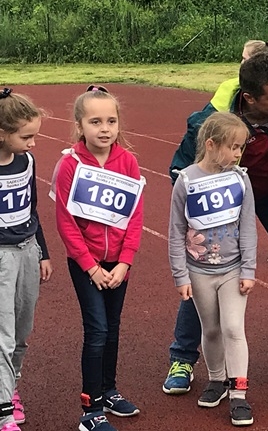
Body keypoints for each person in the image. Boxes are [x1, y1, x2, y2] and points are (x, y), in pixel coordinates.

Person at [164, 52, 268, 394]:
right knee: (204, 266)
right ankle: (183, 356)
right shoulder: (211, 122)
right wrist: (201, 214)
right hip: (226, 199)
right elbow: (180, 169)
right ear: (249, 98)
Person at [53, 85, 145, 431]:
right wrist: (90, 267)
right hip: (85, 264)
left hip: (118, 264)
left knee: (113, 329)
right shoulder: (69, 165)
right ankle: (90, 409)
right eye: (95, 122)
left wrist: (125, 262)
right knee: (97, 330)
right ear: (79, 125)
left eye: (111, 121)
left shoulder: (128, 162)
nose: (104, 129)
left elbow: (134, 216)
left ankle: (108, 390)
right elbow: (66, 222)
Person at [169, 113, 256, 426]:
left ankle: (238, 394)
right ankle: (217, 379)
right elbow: (176, 231)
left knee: (233, 327)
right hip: (199, 271)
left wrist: (249, 268)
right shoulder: (186, 180)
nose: (238, 154)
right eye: (233, 147)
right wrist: (180, 274)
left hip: (233, 269)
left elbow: (248, 225)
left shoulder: (240, 179)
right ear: (210, 144)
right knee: (212, 329)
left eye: (241, 147)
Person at [210, 28, 268, 268]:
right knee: (219, 264)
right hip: (232, 198)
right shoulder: (218, 112)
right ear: (250, 98)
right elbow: (183, 165)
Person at [0, 89, 52, 431]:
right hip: (2, 258)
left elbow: (31, 208)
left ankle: (11, 388)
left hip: (28, 251)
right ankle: (3, 411)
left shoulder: (27, 162)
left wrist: (42, 251)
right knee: (2, 337)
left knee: (21, 332)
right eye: (26, 137)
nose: (32, 143)